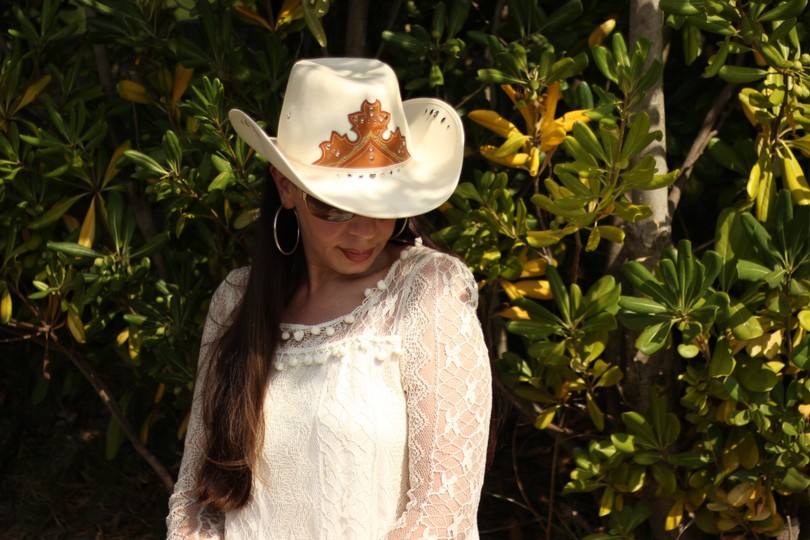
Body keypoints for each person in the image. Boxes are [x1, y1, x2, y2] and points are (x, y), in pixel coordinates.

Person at [166, 57, 492, 539]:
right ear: (286, 187)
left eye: (385, 205)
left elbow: (443, 510)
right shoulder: (238, 300)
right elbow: (196, 498)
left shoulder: (429, 291)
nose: (365, 231)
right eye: (336, 208)